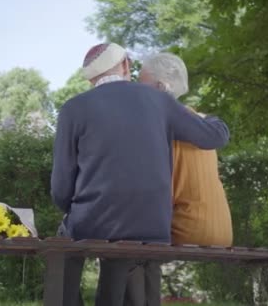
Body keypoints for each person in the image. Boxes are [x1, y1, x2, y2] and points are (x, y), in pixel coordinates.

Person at [51, 43, 230, 306]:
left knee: (62, 245)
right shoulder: (159, 100)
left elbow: (61, 189)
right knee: (124, 251)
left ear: (90, 77)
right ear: (126, 65)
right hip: (152, 225)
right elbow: (213, 136)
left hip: (95, 222)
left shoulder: (73, 109)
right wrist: (211, 119)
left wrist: (72, 209)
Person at [125, 53, 233, 305]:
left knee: (124, 242)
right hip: (222, 230)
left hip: (189, 229)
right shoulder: (202, 120)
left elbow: (152, 189)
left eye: (142, 84)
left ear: (162, 87)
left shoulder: (157, 124)